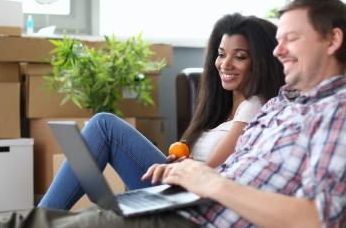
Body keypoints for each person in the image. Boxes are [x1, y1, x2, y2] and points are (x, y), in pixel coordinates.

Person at [0, 0, 346, 228]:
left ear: (333, 40)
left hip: (200, 220)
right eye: (277, 40)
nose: (277, 51)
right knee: (43, 221)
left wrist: (209, 182)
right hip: (190, 208)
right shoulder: (280, 104)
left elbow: (318, 219)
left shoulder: (342, 114)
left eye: (290, 39)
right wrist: (186, 179)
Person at [38, 13, 285, 210]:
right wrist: (180, 163)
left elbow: (211, 174)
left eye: (239, 56)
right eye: (221, 55)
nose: (225, 64)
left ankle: (38, 219)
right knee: (103, 128)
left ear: (260, 61)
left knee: (104, 126)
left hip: (196, 202)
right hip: (182, 192)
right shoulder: (225, 108)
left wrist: (182, 169)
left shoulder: (254, 106)